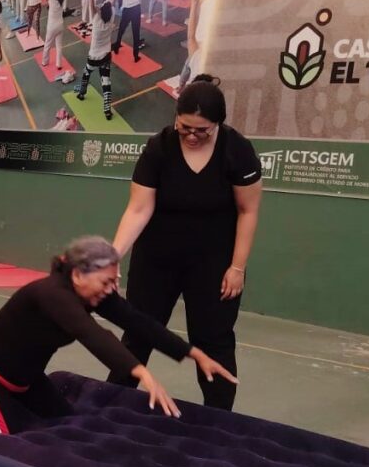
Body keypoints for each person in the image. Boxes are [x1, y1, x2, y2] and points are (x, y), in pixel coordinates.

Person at [0, 236, 236, 434]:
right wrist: (142, 373)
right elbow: (92, 334)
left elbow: (139, 322)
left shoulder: (94, 294)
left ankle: (9, 406)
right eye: (106, 281)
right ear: (80, 274)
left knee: (65, 420)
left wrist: (192, 353)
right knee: (2, 435)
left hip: (26, 380)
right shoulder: (52, 294)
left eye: (114, 281)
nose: (111, 289)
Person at [110, 75, 262, 410]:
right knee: (138, 334)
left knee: (213, 341)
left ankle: (219, 418)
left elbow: (248, 211)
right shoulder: (159, 148)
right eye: (184, 128)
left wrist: (237, 267)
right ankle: (108, 403)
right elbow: (138, 209)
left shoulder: (237, 150)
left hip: (214, 264)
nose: (192, 136)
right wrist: (112, 256)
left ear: (218, 124)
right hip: (157, 260)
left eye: (202, 130)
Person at [74, 0, 116, 119]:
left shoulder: (96, 19)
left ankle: (82, 93)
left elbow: (92, 7)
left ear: (101, 12)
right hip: (106, 56)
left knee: (86, 73)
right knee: (106, 81)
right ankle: (107, 110)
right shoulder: (111, 18)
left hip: (94, 56)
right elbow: (110, 5)